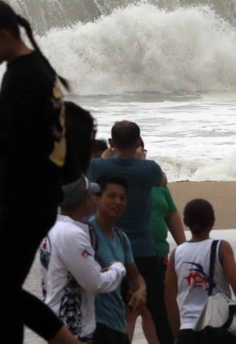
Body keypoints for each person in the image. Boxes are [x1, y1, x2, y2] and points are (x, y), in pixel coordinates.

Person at [0, 0, 78, 344]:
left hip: (27, 202)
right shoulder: (33, 70)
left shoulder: (23, 77)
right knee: (3, 289)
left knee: (0, 288)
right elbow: (10, 130)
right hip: (36, 199)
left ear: (3, 34)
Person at [88, 120, 173, 344]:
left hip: (107, 250)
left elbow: (89, 177)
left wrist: (106, 156)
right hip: (144, 251)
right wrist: (142, 160)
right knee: (156, 308)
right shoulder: (149, 169)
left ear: (111, 142)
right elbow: (163, 181)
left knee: (113, 311)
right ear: (137, 142)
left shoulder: (98, 167)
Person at [41, 175, 127, 341]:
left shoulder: (52, 228)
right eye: (90, 196)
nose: (93, 200)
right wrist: (118, 268)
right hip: (72, 326)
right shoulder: (73, 234)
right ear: (84, 201)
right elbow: (95, 284)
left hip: (54, 319)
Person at [165, 198, 236, 343]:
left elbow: (169, 300)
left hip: (188, 329)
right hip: (218, 327)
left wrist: (178, 334)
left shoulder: (176, 254)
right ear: (212, 221)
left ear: (185, 222)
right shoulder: (221, 248)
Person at [127, 137, 187, 344]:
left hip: (159, 254)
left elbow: (171, 215)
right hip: (129, 256)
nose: (140, 154)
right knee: (131, 309)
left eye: (142, 150)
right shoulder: (120, 181)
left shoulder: (158, 183)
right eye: (135, 149)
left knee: (157, 308)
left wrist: (184, 248)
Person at [89, 175, 147, 344]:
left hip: (118, 324)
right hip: (93, 326)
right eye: (112, 196)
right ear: (97, 198)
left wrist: (141, 289)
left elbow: (135, 277)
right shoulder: (85, 234)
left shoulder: (122, 238)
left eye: (122, 198)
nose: (118, 202)